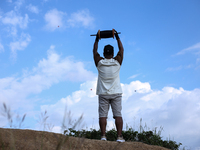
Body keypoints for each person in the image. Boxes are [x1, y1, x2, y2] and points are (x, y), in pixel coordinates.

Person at [93, 29, 125, 142]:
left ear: (103, 53)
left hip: (103, 93)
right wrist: (117, 37)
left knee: (103, 115)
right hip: (116, 93)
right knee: (118, 115)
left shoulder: (99, 63)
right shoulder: (117, 62)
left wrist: (97, 38)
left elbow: (94, 51)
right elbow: (121, 49)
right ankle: (119, 137)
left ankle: (103, 136)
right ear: (112, 54)